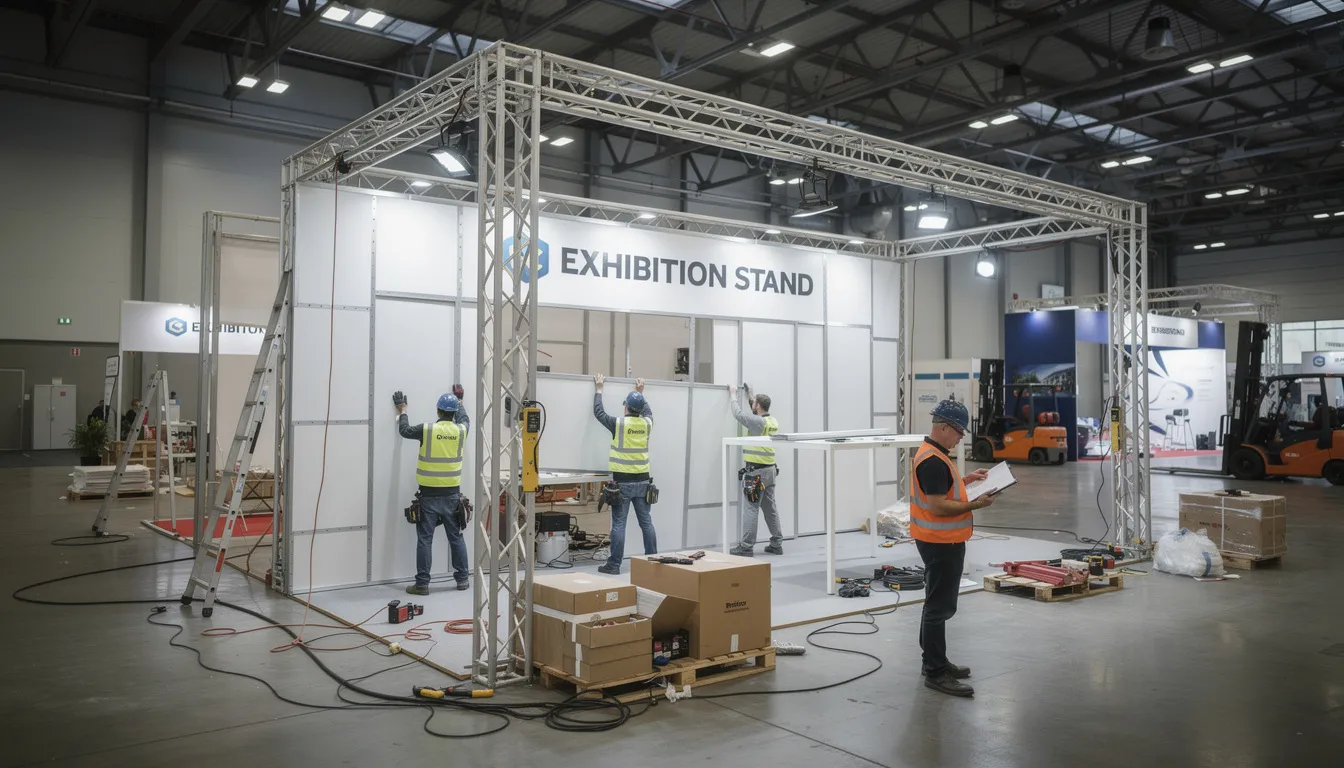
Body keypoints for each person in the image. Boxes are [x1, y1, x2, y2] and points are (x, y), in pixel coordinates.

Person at [911, 399, 996, 698]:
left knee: (934, 604)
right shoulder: (933, 460)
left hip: (936, 541)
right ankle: (936, 673)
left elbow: (943, 488)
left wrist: (967, 480)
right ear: (944, 427)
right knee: (939, 608)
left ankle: (934, 662)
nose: (961, 437)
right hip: (940, 542)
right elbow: (938, 505)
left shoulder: (934, 455)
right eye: (959, 431)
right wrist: (977, 503)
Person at [396, 388, 471, 595]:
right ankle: (463, 580)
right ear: (453, 413)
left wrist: (402, 410)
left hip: (428, 496)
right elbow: (465, 419)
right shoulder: (461, 431)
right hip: (452, 497)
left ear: (438, 411)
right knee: (456, 537)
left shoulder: (427, 430)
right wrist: (460, 401)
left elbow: (405, 430)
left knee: (425, 540)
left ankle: (422, 585)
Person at [592, 374, 657, 575]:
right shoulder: (647, 423)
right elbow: (647, 410)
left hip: (622, 483)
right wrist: (640, 392)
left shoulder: (618, 424)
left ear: (625, 407)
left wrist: (599, 389)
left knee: (619, 524)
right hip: (643, 481)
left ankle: (614, 565)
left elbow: (598, 412)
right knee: (646, 522)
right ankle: (652, 561)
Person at [728, 384, 783, 556]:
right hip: (770, 472)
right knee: (770, 508)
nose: (753, 405)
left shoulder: (757, 422)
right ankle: (776, 543)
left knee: (751, 508)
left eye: (754, 403)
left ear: (757, 406)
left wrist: (733, 395)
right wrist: (750, 393)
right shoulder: (771, 421)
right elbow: (755, 409)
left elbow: (739, 414)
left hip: (755, 474)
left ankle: (746, 546)